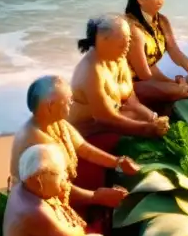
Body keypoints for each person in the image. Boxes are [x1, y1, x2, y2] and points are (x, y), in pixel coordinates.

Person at [9, 76, 139, 212]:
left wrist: (118, 163)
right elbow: (57, 186)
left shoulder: (56, 122)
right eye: (68, 100)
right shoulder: (37, 141)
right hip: (38, 205)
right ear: (50, 106)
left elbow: (85, 149)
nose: (72, 102)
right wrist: (97, 197)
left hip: (58, 184)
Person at [68, 14, 170, 139]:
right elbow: (105, 118)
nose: (128, 46)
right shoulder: (91, 72)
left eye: (129, 40)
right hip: (86, 131)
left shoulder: (119, 58)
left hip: (113, 116)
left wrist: (153, 117)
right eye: (123, 43)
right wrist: (146, 129)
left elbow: (132, 100)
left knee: (152, 113)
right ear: (104, 41)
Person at [3, 144, 87, 236]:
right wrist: (78, 227)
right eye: (59, 174)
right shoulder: (35, 213)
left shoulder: (23, 188)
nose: (65, 178)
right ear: (37, 180)